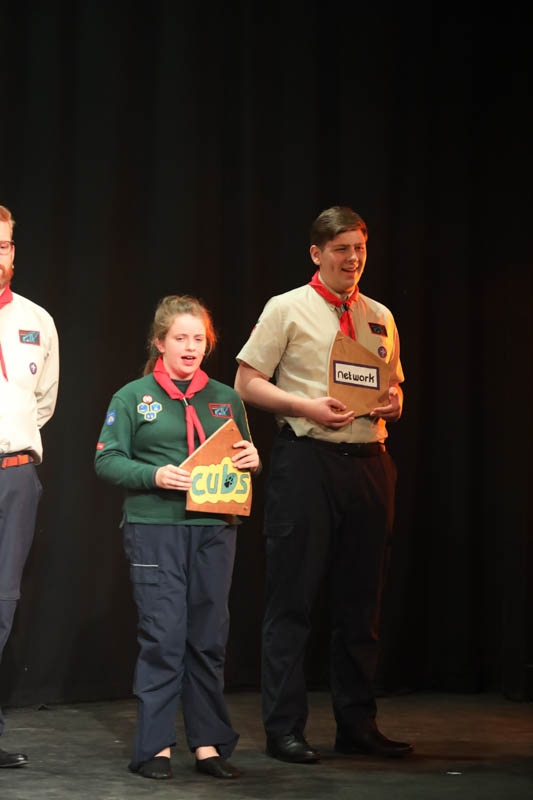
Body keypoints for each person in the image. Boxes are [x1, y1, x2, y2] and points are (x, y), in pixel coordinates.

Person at [234, 206, 413, 763]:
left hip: (370, 462)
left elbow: (395, 388)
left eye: (359, 248)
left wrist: (394, 402)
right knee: (293, 600)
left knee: (362, 603)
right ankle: (284, 729)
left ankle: (357, 723)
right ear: (317, 254)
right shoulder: (286, 307)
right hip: (308, 461)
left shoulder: (380, 315)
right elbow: (246, 382)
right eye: (341, 249)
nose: (353, 259)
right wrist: (304, 405)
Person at [94, 295, 259, 781]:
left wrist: (253, 459)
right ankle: (156, 747)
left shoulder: (225, 398)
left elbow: (241, 454)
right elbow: (106, 459)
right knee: (164, 637)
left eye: (199, 339)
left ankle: (208, 744)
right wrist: (154, 475)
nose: (190, 347)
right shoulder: (132, 397)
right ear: (160, 342)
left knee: (208, 637)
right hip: (156, 529)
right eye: (180, 338)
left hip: (214, 528)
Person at [0, 204, 59, 768]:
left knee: (2, 606)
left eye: (2, 245)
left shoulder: (37, 320)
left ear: (13, 252)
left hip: (15, 475)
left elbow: (43, 404)